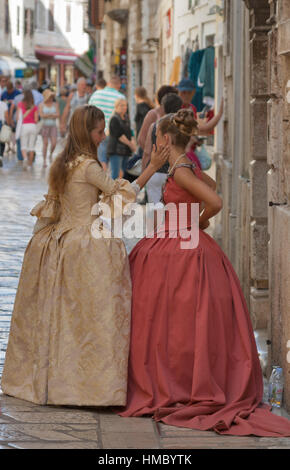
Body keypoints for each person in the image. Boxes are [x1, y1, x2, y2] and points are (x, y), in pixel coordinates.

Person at [118, 108, 290, 437]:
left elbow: (215, 200)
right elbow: (208, 183)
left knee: (169, 318)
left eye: (156, 140)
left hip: (180, 247)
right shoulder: (189, 165)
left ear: (166, 140)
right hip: (181, 243)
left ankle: (172, 380)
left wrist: (195, 222)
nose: (154, 146)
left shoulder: (181, 171)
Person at [0, 105, 169, 406]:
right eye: (99, 131)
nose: (103, 136)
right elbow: (119, 197)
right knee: (93, 319)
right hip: (84, 245)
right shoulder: (88, 167)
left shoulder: (62, 163)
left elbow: (50, 211)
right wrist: (151, 168)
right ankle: (90, 388)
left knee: (64, 318)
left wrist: (39, 246)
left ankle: (57, 383)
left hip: (59, 243)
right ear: (85, 133)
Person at [89, 75, 125, 171]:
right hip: (114, 133)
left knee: (101, 159)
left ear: (108, 84)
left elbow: (88, 113)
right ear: (119, 85)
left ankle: (102, 181)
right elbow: (123, 117)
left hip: (97, 131)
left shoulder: (96, 94)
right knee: (115, 163)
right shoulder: (120, 97)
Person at [137, 85, 178, 152]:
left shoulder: (173, 114)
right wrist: (153, 156)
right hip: (151, 157)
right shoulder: (153, 114)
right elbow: (141, 139)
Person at [107, 99, 136, 179]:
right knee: (115, 175)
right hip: (116, 151)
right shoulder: (114, 119)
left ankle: (121, 191)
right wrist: (131, 145)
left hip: (125, 151)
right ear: (116, 107)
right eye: (122, 105)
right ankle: (113, 191)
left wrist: (133, 142)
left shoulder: (126, 117)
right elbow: (120, 136)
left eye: (125, 105)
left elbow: (130, 132)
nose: (124, 107)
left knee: (123, 176)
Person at [16, 90, 38, 169]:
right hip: (33, 126)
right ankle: (30, 165)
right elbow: (36, 120)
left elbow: (18, 118)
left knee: (23, 146)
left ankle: (25, 159)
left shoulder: (20, 104)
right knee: (31, 147)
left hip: (24, 126)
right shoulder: (34, 106)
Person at [39, 89, 59, 167]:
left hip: (53, 126)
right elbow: (41, 115)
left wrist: (48, 115)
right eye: (49, 97)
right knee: (45, 143)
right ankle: (44, 160)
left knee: (54, 143)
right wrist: (51, 115)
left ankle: (50, 154)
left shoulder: (55, 104)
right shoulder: (41, 105)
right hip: (44, 126)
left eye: (51, 97)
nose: (51, 98)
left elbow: (57, 114)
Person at [0, 99, 9, 167]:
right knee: (2, 141)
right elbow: (6, 115)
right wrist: (8, 124)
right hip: (2, 123)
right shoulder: (3, 104)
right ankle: (0, 156)